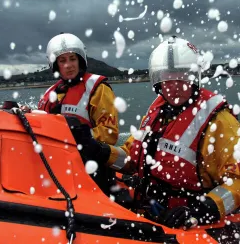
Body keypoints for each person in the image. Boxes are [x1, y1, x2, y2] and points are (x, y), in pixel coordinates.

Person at [84, 36, 240, 229]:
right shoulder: (157, 112)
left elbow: (237, 181)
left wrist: (200, 211)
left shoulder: (220, 121)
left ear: (193, 77)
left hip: (189, 222)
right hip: (152, 212)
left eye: (181, 76)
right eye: (167, 77)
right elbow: (132, 159)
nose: (173, 86)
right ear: (158, 80)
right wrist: (99, 150)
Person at [34, 32, 130, 196]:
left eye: (72, 59)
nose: (68, 65)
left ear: (80, 60)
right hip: (62, 168)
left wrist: (82, 136)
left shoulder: (98, 89)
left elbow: (110, 133)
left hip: (93, 168)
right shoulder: (50, 94)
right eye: (62, 60)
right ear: (55, 65)